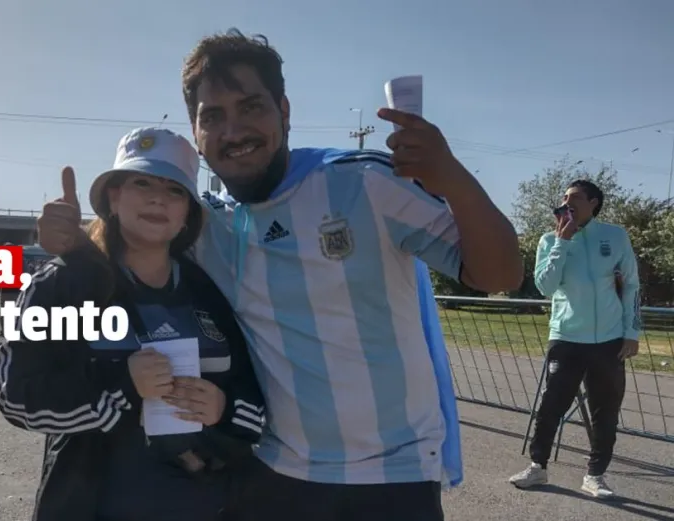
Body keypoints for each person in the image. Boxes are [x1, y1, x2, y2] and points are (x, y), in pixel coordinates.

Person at [38, 29, 523, 520]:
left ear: (284, 112)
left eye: (251, 107)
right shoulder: (207, 226)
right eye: (214, 117)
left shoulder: (365, 182)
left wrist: (452, 177)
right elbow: (130, 248)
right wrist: (76, 245)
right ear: (196, 132)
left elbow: (498, 273)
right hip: (270, 475)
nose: (234, 131)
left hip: (391, 477)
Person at [0, 128, 265, 521]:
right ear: (113, 197)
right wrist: (123, 386)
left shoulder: (210, 289)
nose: (158, 197)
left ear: (187, 212)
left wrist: (222, 408)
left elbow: (256, 399)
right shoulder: (62, 284)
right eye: (142, 182)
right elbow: (17, 398)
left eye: (174, 190)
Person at [509, 179, 640, 498]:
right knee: (551, 405)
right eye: (564, 197)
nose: (566, 202)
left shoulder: (615, 236)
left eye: (574, 198)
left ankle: (595, 475)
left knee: (605, 410)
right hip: (566, 337)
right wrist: (562, 242)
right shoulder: (548, 240)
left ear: (593, 203)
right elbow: (545, 286)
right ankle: (537, 467)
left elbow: (632, 286)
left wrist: (631, 331)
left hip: (608, 340)